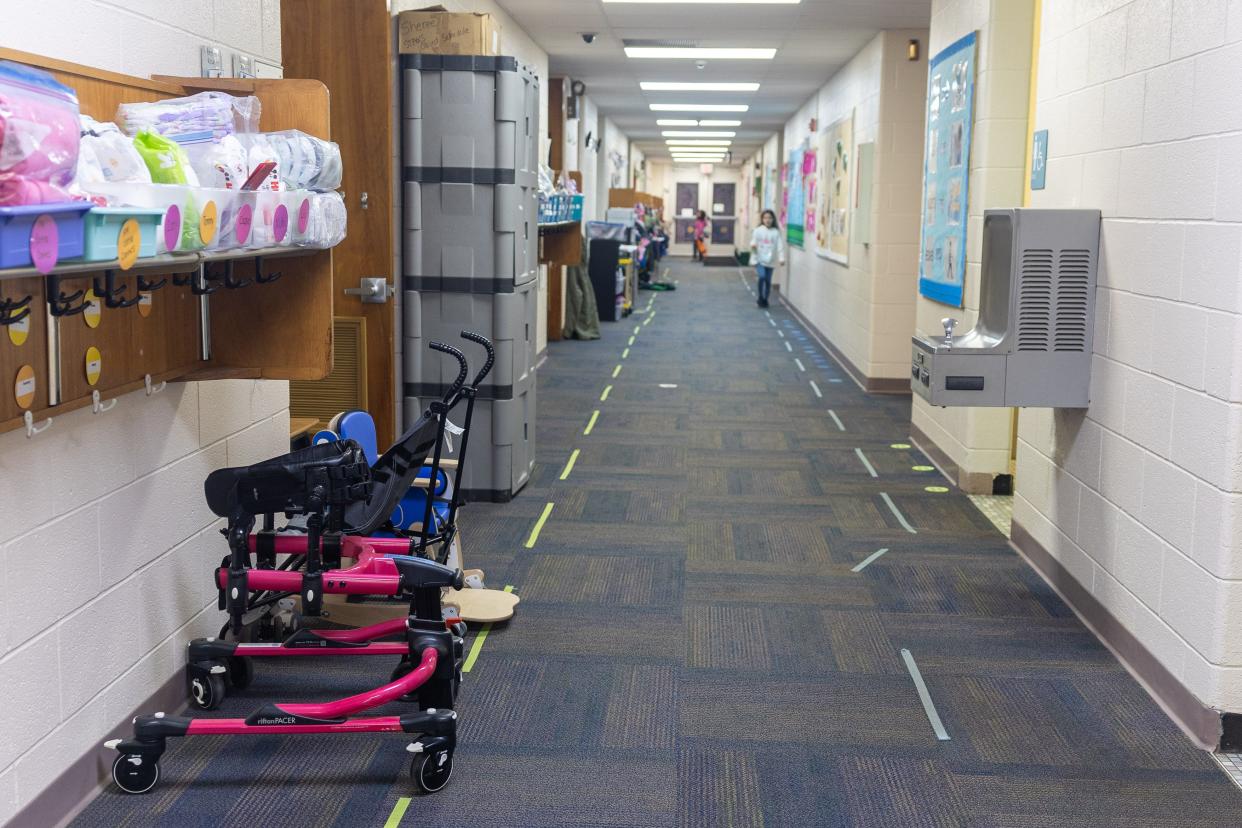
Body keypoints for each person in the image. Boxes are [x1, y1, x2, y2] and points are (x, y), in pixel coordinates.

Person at [749, 209, 785, 308]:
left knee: (768, 281)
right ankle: (760, 297)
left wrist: (781, 258)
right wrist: (753, 251)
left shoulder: (776, 232)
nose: (767, 220)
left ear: (773, 219)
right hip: (760, 260)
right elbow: (753, 243)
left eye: (769, 218)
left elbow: (780, 246)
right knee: (762, 277)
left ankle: (765, 299)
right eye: (765, 218)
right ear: (762, 219)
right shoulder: (758, 230)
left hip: (771, 261)